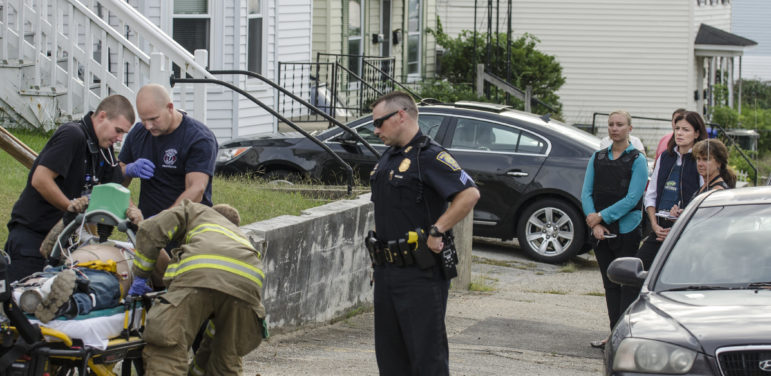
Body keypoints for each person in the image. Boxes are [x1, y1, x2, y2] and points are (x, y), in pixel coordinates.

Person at [368, 91, 480, 375]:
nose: (375, 129)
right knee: (390, 358)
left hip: (420, 273)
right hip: (386, 271)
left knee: (426, 358)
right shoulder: (388, 158)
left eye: (380, 122)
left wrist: (438, 229)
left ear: (401, 115)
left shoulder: (429, 156)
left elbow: (469, 194)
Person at [3, 95, 134, 282]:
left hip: (63, 242)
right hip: (33, 238)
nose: (120, 138)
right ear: (102, 116)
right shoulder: (73, 135)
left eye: (124, 134)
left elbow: (115, 188)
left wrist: (136, 214)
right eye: (118, 130)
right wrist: (70, 207)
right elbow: (41, 179)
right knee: (24, 303)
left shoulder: (104, 150)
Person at [127, 200, 266, 375]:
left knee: (167, 348)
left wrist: (141, 274)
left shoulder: (195, 210)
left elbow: (151, 229)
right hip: (248, 283)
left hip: (199, 274)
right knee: (226, 358)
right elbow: (209, 347)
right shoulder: (239, 238)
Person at [581, 110, 648, 350]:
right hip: (599, 230)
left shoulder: (637, 160)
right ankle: (612, 335)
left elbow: (633, 198)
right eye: (610, 124)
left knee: (626, 285)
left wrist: (603, 216)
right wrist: (595, 222)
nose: (614, 128)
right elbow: (586, 192)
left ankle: (625, 337)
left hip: (626, 229)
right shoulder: (597, 158)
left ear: (630, 128)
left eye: (620, 124)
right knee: (609, 284)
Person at [118, 83, 218, 219]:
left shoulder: (199, 138)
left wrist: (162, 221)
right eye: (143, 120)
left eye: (153, 119)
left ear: (170, 108)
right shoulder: (138, 133)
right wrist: (126, 171)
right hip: (146, 227)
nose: (148, 126)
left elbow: (196, 190)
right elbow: (116, 179)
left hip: (189, 227)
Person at [637, 111, 706, 269]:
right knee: (637, 269)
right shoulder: (664, 157)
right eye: (677, 128)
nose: (679, 133)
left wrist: (684, 213)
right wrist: (654, 225)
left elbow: (704, 196)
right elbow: (651, 195)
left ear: (696, 133)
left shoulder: (700, 160)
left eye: (685, 129)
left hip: (687, 231)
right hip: (660, 229)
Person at [668, 138, 736, 218]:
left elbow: (706, 223)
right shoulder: (706, 186)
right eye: (698, 159)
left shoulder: (716, 191)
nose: (700, 164)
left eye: (705, 159)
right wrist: (682, 214)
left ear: (719, 162)